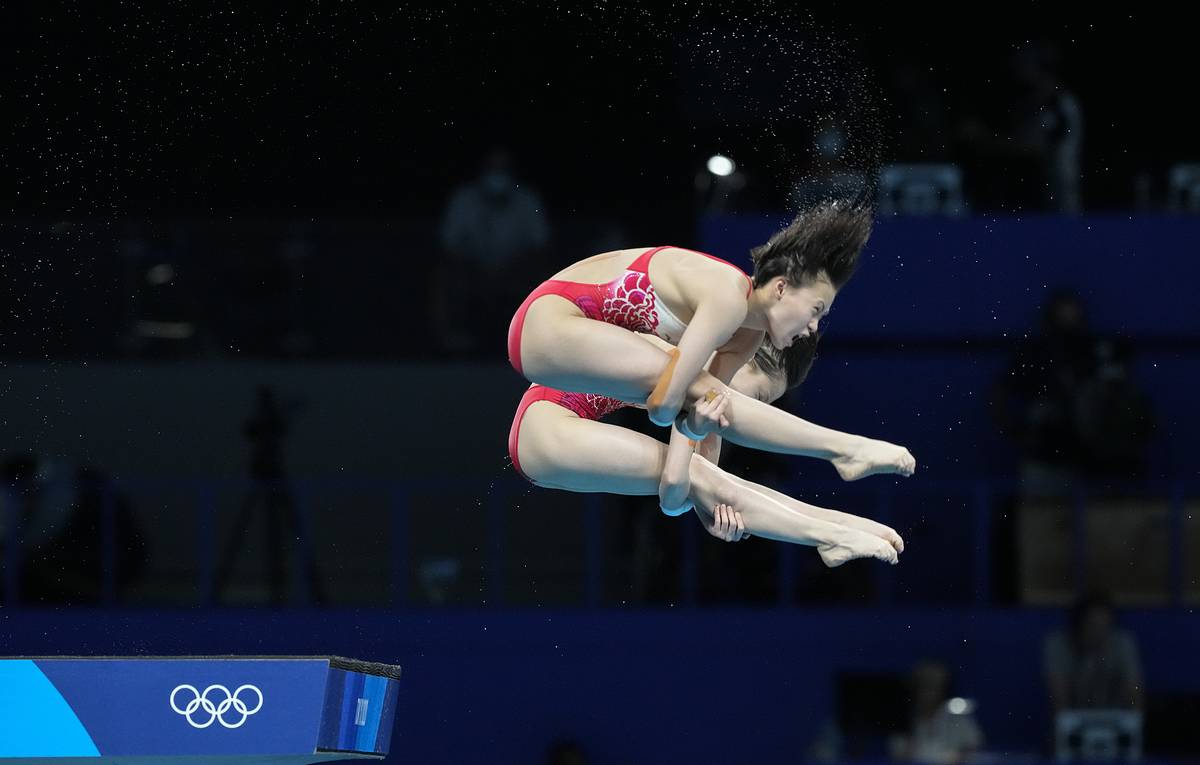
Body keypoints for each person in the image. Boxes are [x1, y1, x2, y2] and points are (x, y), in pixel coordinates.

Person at [507, 200, 916, 481]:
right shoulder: (727, 295)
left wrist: (698, 481)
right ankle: (842, 448)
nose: (812, 328)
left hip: (580, 350)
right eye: (816, 310)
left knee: (705, 457)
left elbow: (700, 436)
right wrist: (694, 418)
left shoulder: (747, 339)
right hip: (547, 320)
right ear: (780, 288)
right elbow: (665, 405)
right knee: (700, 394)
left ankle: (838, 519)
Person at [509, 333, 903, 566]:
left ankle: (837, 526)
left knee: (713, 481)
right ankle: (825, 533)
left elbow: (698, 490)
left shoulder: (699, 383)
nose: (753, 408)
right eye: (761, 396)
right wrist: (702, 499)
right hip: (547, 421)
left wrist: (712, 512)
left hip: (551, 429)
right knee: (704, 479)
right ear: (742, 359)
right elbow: (677, 488)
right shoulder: (687, 362)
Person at [1044, 592, 1144, 712]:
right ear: (1080, 624)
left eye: (1105, 625)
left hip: (1116, 719)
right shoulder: (1058, 645)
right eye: (1093, 625)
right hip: (1075, 721)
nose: (1099, 633)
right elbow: (1059, 698)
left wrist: (1134, 723)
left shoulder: (1122, 643)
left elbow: (1134, 690)